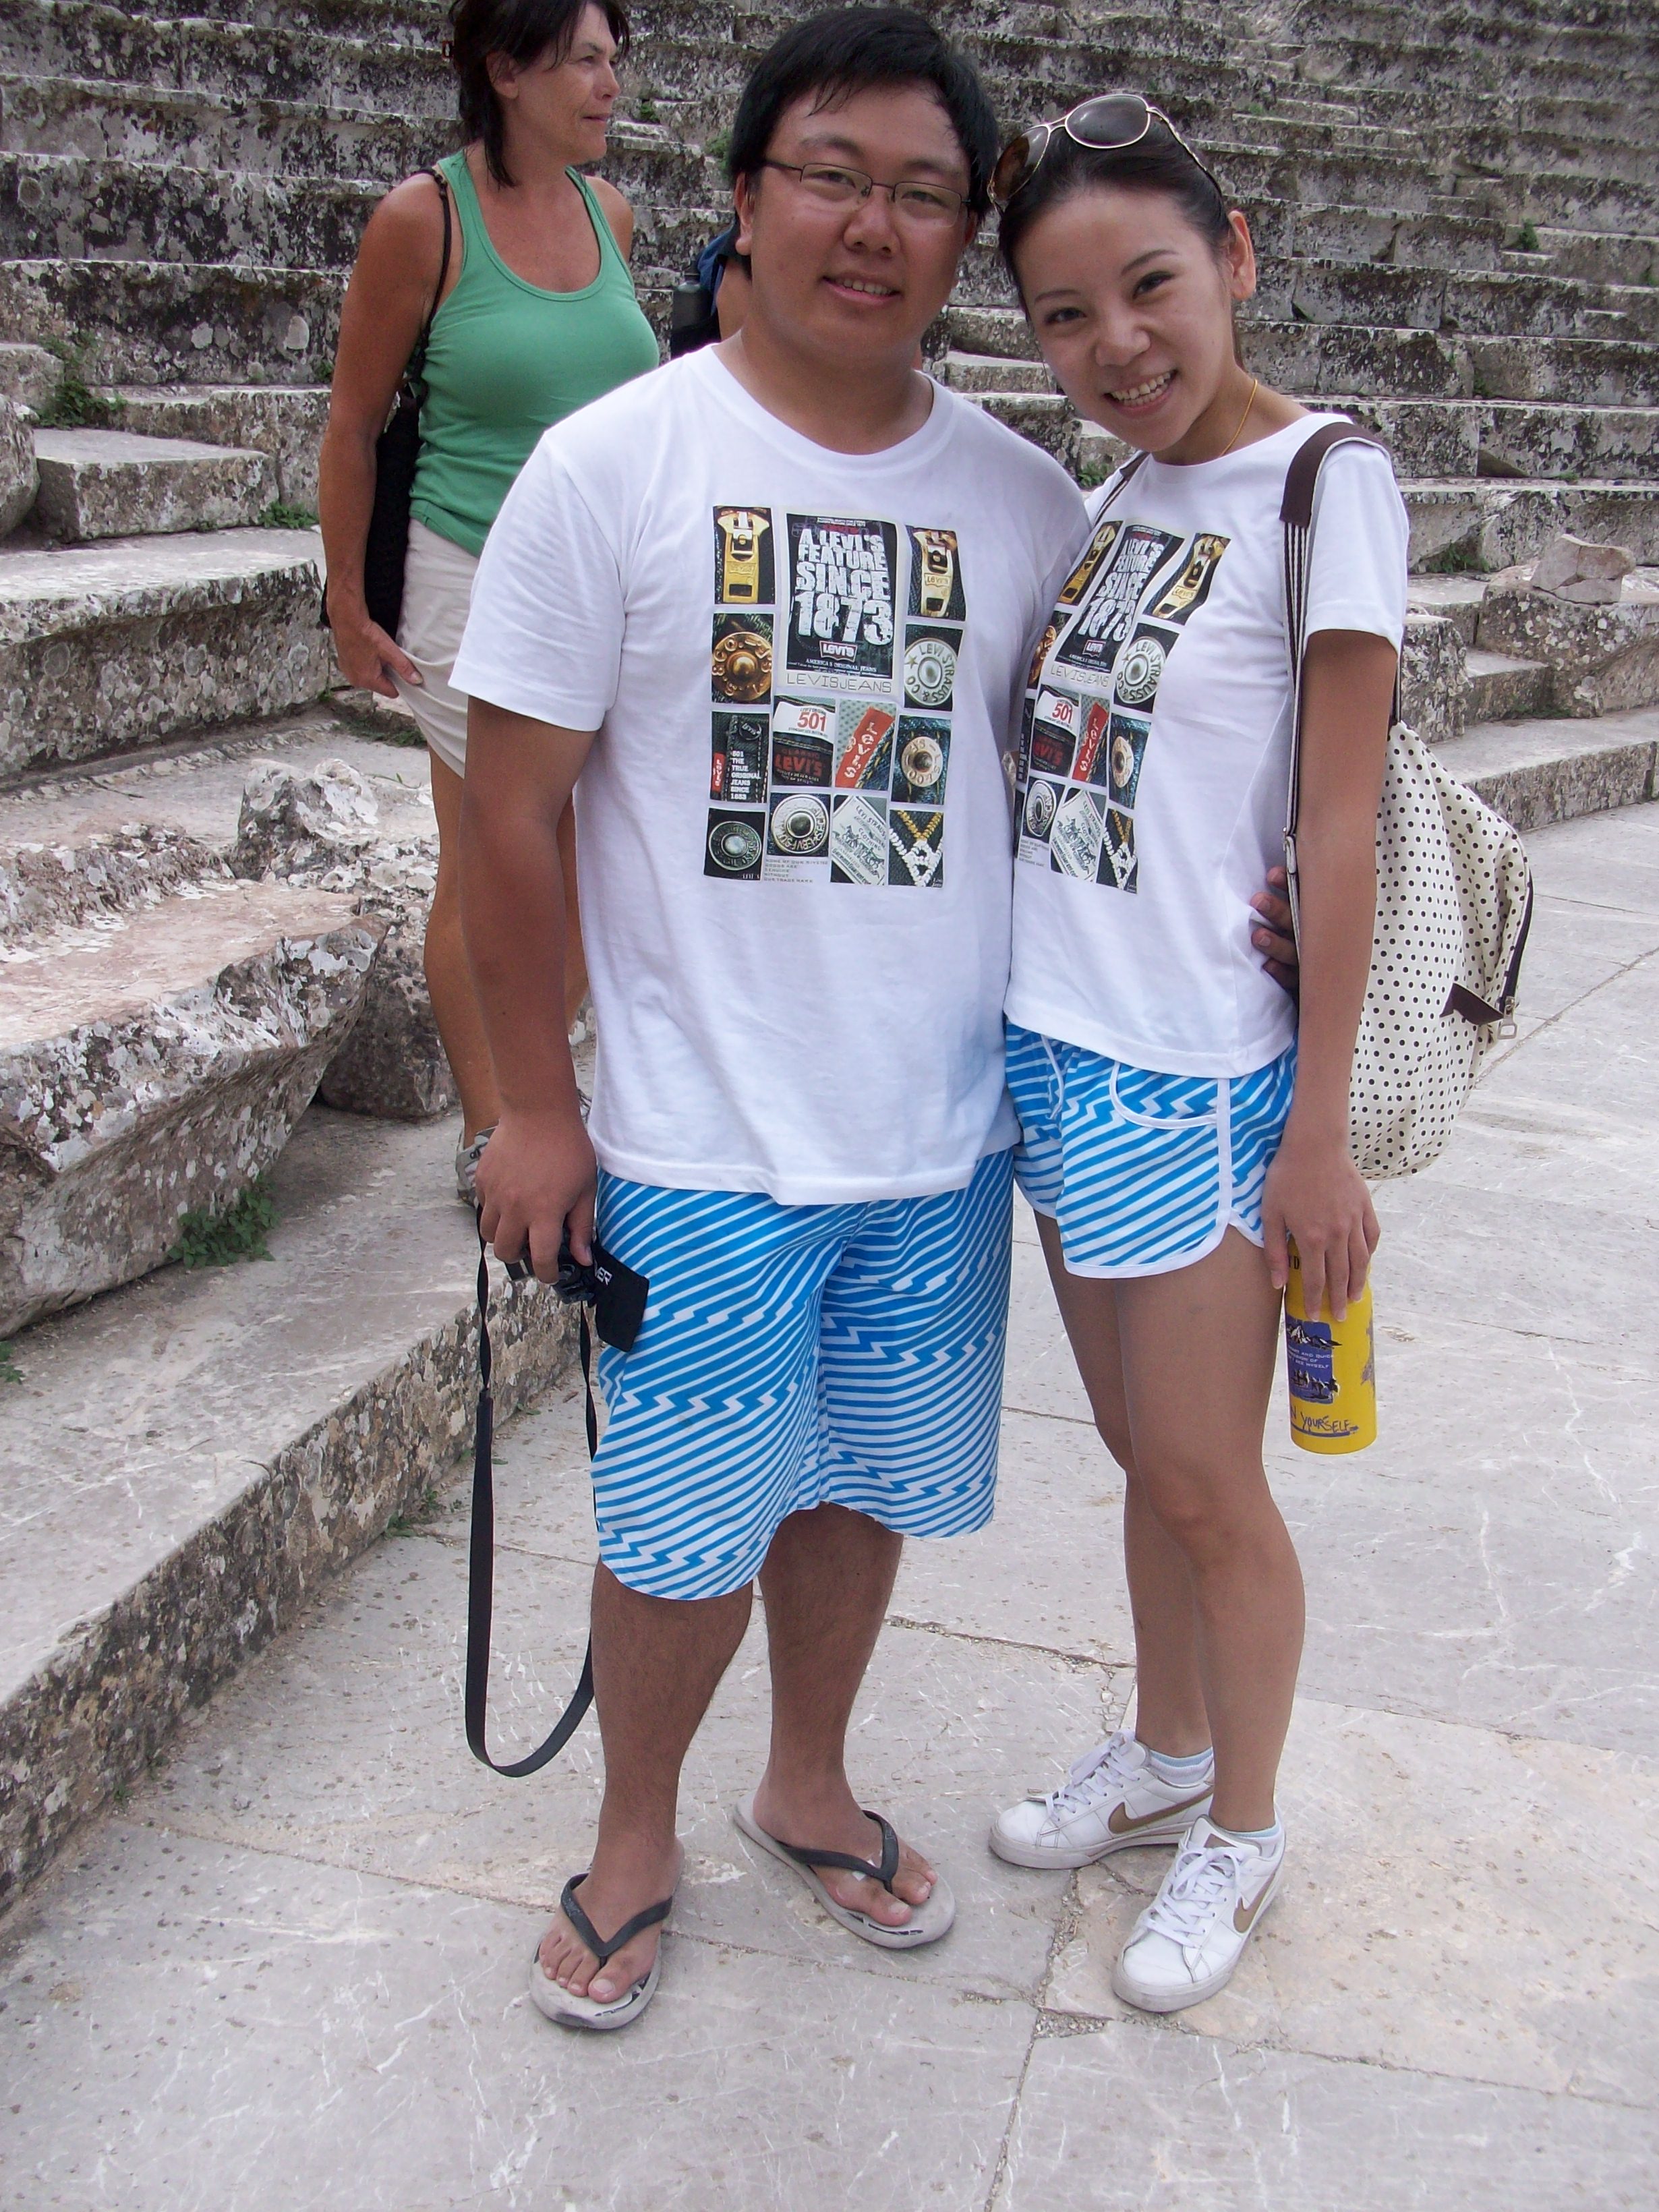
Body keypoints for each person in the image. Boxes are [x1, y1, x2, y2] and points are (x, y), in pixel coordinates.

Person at [983, 96, 1405, 2013]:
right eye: (1064, 318)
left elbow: (1337, 824)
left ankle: (1242, 1822)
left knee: (1209, 1482)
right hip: (1059, 1050)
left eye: (1149, 286)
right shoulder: (1119, 496)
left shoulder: (1326, 481)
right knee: (1145, 1459)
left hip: (1198, 1074)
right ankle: (1162, 1753)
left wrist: (1317, 1134)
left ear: (1233, 256)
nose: (1117, 345)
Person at [318, 0, 660, 1196]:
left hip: (606, 586)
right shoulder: (424, 220)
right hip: (469, 580)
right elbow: (353, 422)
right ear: (507, 71)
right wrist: (346, 602)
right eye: (584, 62)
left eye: (614, 60)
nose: (609, 85)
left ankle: (525, 1104)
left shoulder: (609, 212)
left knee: (565, 862)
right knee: (507, 857)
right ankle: (495, 1127)